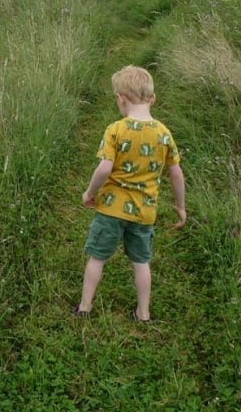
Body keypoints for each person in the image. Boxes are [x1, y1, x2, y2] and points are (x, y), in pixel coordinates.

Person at [74, 65, 186, 322]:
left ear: (120, 99)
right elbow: (176, 174)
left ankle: (85, 307)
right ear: (153, 99)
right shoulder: (164, 134)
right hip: (144, 211)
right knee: (141, 262)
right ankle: (143, 313)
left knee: (97, 258)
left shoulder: (116, 129)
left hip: (111, 209)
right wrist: (180, 207)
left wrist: (90, 192)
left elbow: (104, 169)